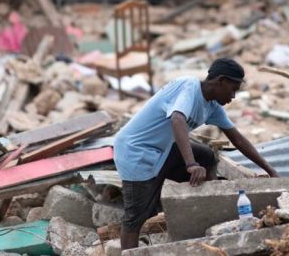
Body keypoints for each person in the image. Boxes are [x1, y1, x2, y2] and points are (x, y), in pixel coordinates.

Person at [114, 58, 278, 249]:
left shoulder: (213, 107)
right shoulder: (189, 86)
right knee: (136, 217)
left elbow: (238, 140)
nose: (233, 96)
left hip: (162, 150)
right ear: (220, 80)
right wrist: (191, 164)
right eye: (232, 89)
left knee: (207, 156)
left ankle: (206, 211)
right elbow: (177, 119)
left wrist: (270, 170)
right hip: (135, 150)